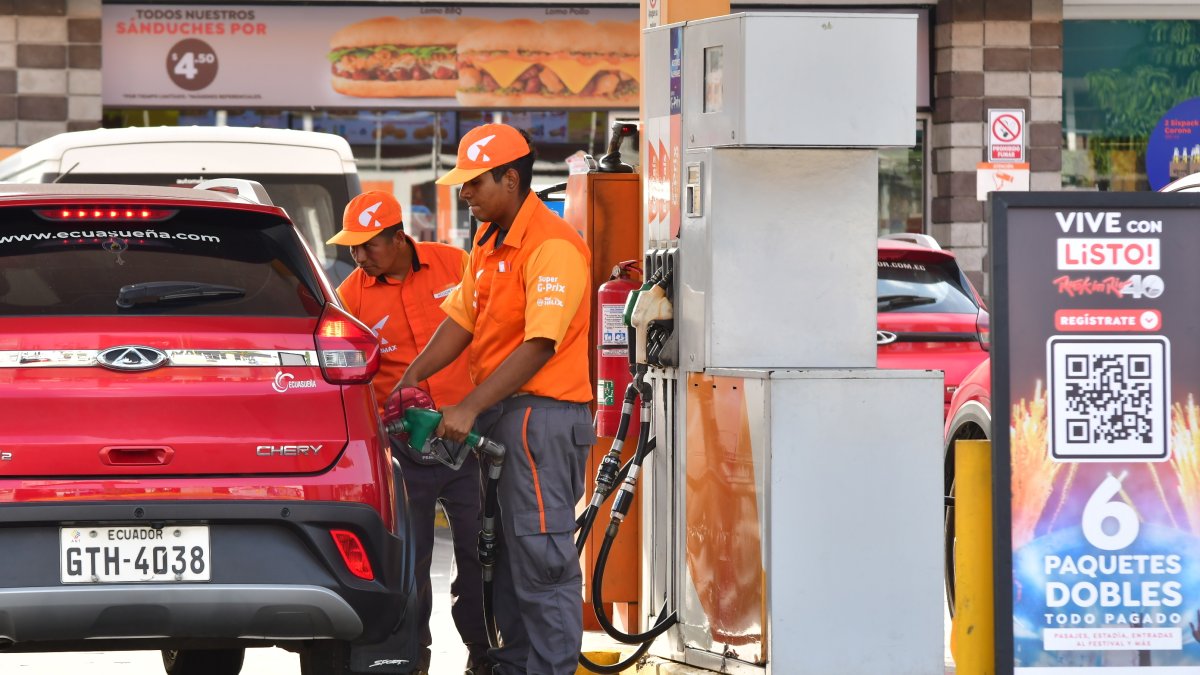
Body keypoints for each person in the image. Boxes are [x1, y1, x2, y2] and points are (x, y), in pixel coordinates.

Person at [396, 123, 595, 675]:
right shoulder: (487, 242)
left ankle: (550, 668)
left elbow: (539, 345)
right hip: (503, 414)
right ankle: (512, 666)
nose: (464, 193)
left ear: (511, 179)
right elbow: (460, 320)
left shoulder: (552, 245)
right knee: (501, 556)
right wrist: (411, 378)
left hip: (542, 418)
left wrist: (465, 406)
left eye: (474, 183)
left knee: (541, 556)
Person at [327, 190, 493, 675]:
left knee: (481, 555)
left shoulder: (455, 264)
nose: (359, 257)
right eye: (352, 247)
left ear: (399, 237)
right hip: (404, 448)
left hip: (471, 439)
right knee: (411, 565)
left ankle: (485, 657)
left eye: (369, 245)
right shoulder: (351, 297)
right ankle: (411, 658)